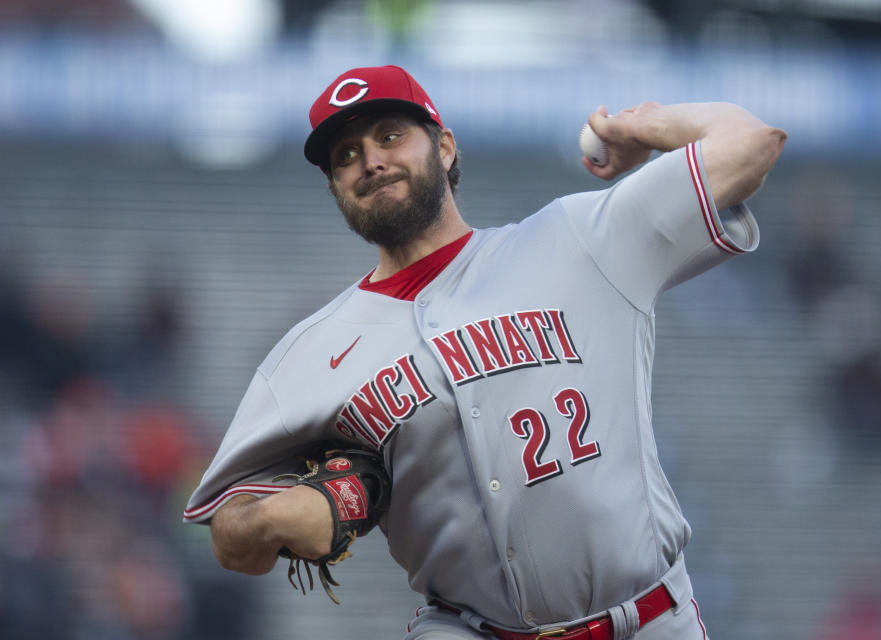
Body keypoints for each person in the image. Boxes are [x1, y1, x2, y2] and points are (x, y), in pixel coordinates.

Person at [183, 64, 786, 639]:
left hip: (650, 620)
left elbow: (751, 143)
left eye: (390, 135)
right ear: (337, 186)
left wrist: (641, 128)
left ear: (444, 147)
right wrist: (270, 519)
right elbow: (227, 534)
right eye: (346, 155)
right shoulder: (309, 354)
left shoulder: (576, 240)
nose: (370, 160)